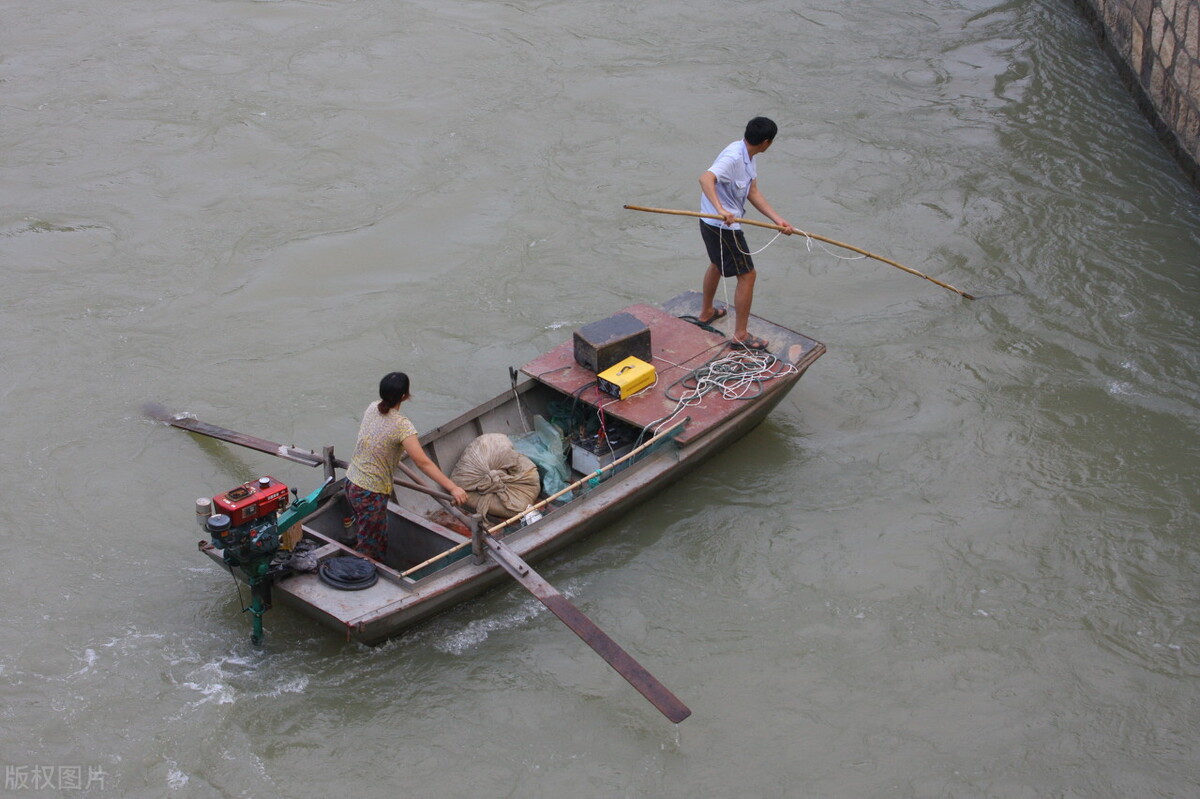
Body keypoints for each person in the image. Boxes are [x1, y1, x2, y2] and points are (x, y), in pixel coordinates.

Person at [345, 372, 468, 561]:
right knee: (373, 548)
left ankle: (358, 552)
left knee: (365, 530)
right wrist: (453, 487)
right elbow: (423, 462)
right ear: (404, 396)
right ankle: (365, 576)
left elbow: (379, 436)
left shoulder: (371, 407)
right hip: (370, 493)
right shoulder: (402, 426)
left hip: (351, 484)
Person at [698, 116, 795, 351]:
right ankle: (741, 334)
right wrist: (721, 210)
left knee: (717, 264)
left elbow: (752, 191)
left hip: (714, 223)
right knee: (748, 275)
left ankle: (707, 312)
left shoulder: (748, 156)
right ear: (767, 142)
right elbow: (705, 178)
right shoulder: (733, 156)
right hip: (721, 226)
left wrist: (777, 219)